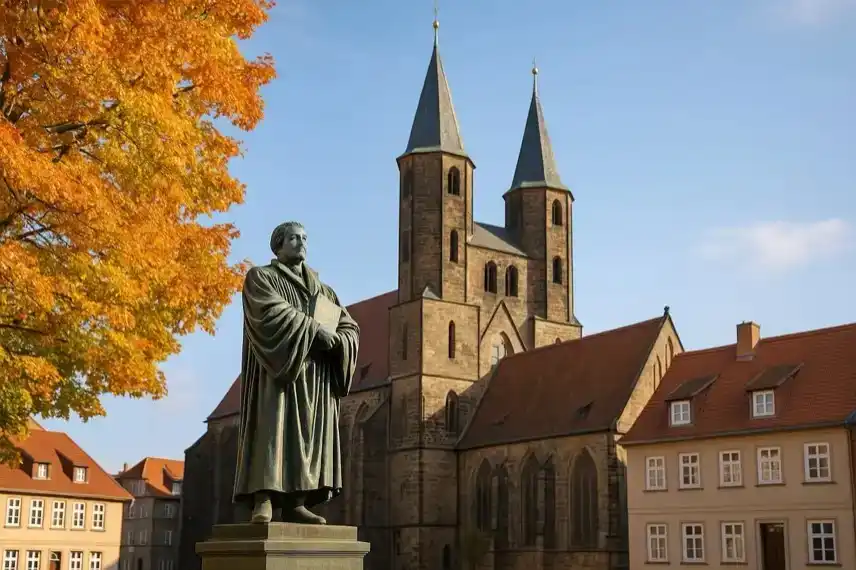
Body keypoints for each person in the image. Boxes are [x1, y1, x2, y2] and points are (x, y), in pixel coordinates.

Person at [233, 221, 360, 524]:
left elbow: (348, 325)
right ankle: (263, 497)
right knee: (272, 429)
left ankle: (297, 501)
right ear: (277, 245)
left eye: (304, 238)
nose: (301, 242)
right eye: (293, 238)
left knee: (308, 433)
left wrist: (341, 340)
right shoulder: (261, 277)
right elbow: (269, 313)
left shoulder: (323, 290)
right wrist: (314, 330)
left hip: (314, 378)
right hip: (277, 371)